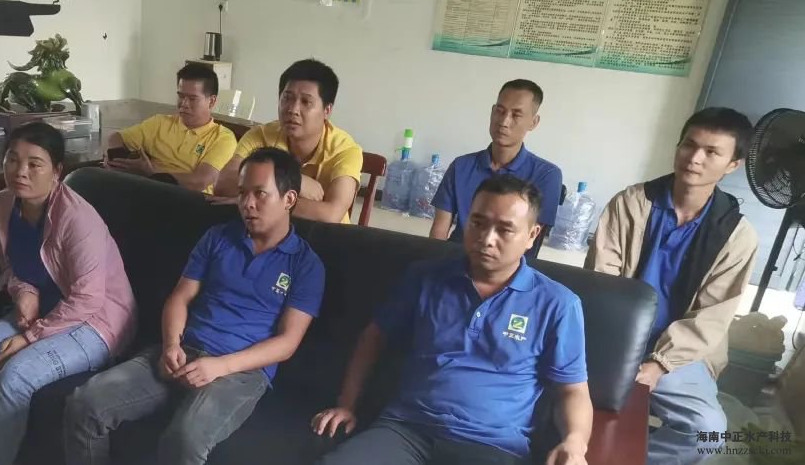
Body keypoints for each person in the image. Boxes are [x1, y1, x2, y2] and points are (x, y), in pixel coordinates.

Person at [65, 147, 326, 465]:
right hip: (184, 349)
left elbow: (287, 342)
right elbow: (180, 297)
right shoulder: (218, 237)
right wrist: (170, 345)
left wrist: (220, 366)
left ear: (289, 199)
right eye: (242, 192)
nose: (247, 203)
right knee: (85, 403)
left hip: (240, 371)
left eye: (260, 194)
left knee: (184, 439)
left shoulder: (306, 265)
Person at [312, 175, 592, 465]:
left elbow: (572, 390)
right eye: (478, 223)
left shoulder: (557, 304)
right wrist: (346, 404)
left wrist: (575, 442)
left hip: (492, 445)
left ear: (532, 235)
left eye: (504, 229)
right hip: (405, 430)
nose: (487, 239)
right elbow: (374, 337)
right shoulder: (424, 278)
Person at [0, 123, 137, 465]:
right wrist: (23, 290)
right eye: (12, 159)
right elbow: (8, 264)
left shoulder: (78, 220)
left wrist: (29, 337)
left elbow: (88, 299)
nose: (20, 171)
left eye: (34, 163)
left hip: (96, 320)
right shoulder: (2, 204)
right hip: (44, 308)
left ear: (57, 171)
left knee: (14, 378)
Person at [585, 107, 758, 465]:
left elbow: (710, 318)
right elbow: (601, 281)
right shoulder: (631, 204)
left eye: (711, 152)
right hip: (613, 338)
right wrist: (615, 353)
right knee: (551, 391)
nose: (694, 158)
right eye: (689, 145)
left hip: (679, 355)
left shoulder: (737, 237)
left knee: (707, 432)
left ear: (733, 164)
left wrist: (658, 365)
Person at [213, 59, 362, 223]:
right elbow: (223, 184)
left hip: (320, 234)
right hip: (267, 229)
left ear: (327, 110)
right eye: (287, 98)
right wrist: (296, 181)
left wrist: (256, 197)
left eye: (306, 102)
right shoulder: (261, 135)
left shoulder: (345, 150)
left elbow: (330, 215)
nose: (293, 109)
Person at [430, 79, 562, 255]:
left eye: (516, 115)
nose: (504, 121)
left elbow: (529, 247)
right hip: (456, 261)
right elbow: (438, 234)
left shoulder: (547, 175)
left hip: (506, 267)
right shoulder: (461, 166)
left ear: (533, 122)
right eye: (500, 111)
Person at [106, 63, 237, 193]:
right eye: (181, 96)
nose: (184, 104)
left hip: (188, 200)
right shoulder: (159, 123)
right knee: (95, 178)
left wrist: (151, 173)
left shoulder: (222, 138)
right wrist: (118, 161)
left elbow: (199, 181)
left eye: (192, 99)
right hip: (146, 191)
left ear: (212, 101)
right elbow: (116, 137)